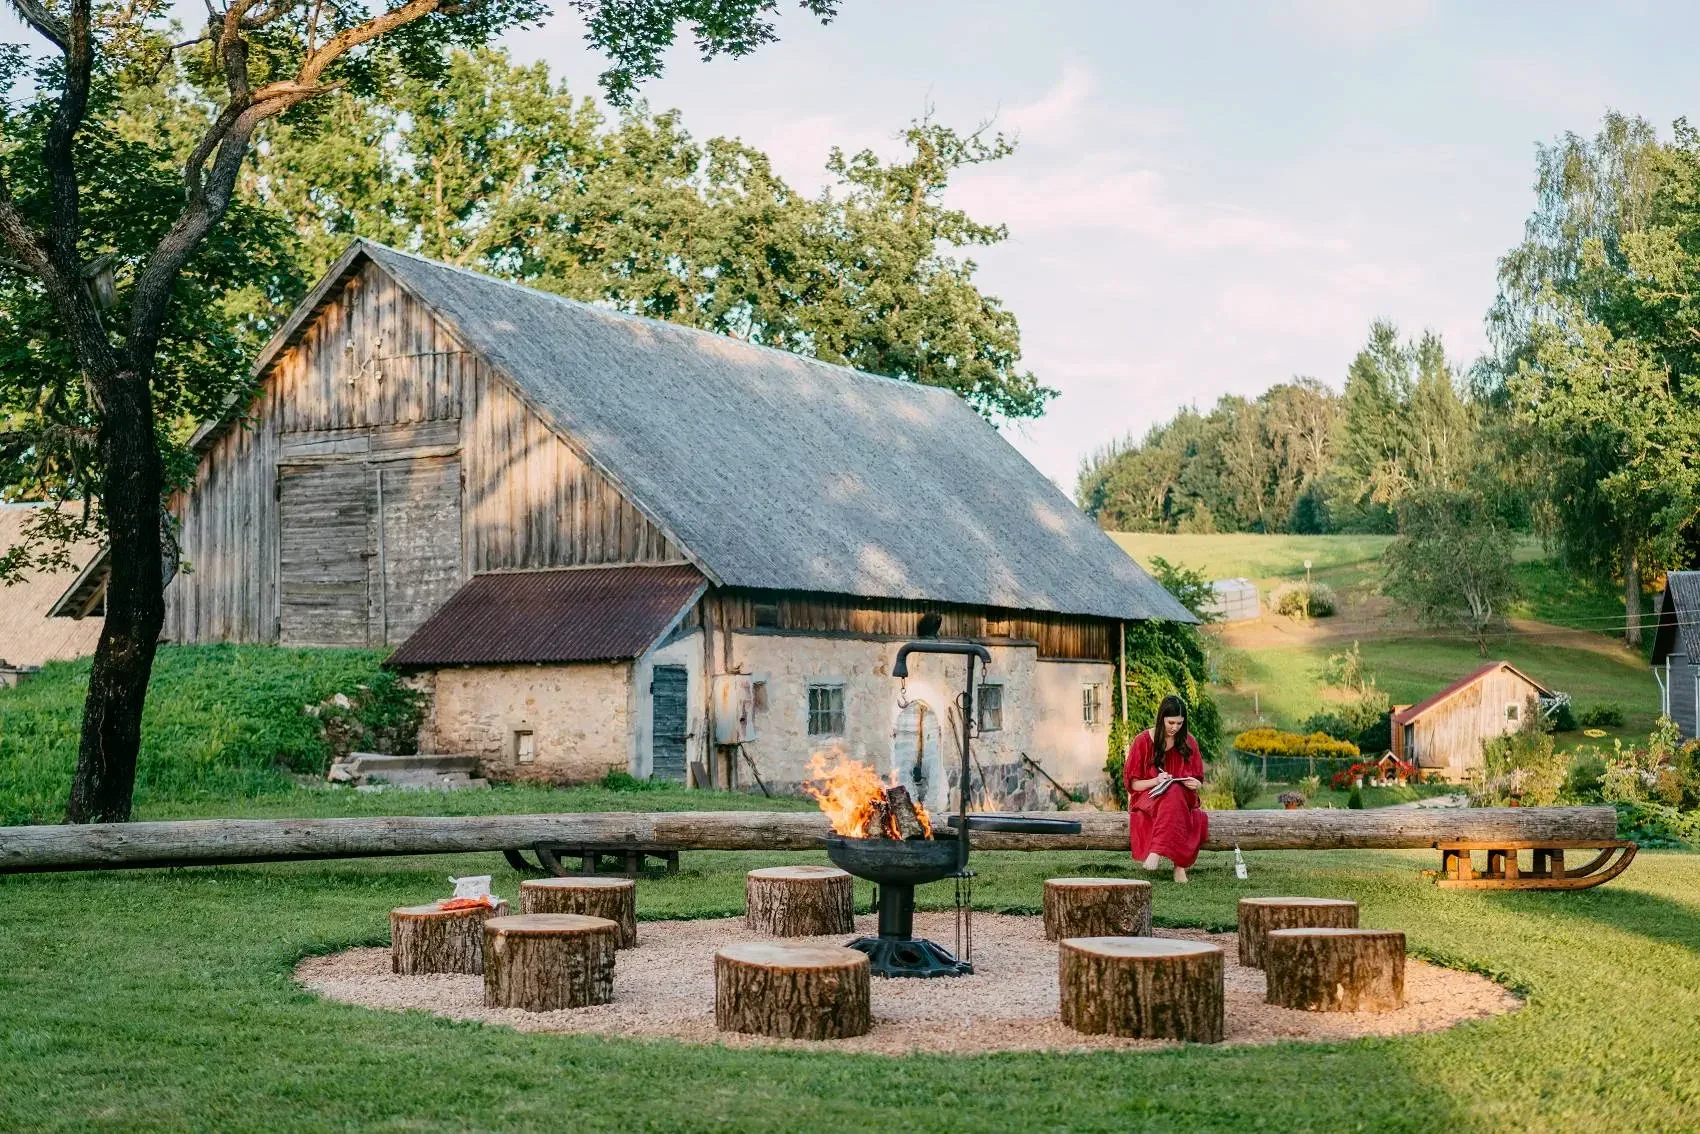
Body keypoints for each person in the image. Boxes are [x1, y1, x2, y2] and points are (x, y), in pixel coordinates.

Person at [1124, 694, 1209, 883]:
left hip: (1182, 796)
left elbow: (1198, 779)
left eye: (1179, 723)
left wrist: (1196, 783)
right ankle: (1180, 867)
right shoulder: (1142, 741)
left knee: (1176, 792)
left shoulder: (1189, 742)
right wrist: (1156, 780)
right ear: (1162, 718)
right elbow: (1134, 784)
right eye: (1171, 722)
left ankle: (1156, 851)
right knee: (1172, 794)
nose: (1175, 727)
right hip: (1150, 796)